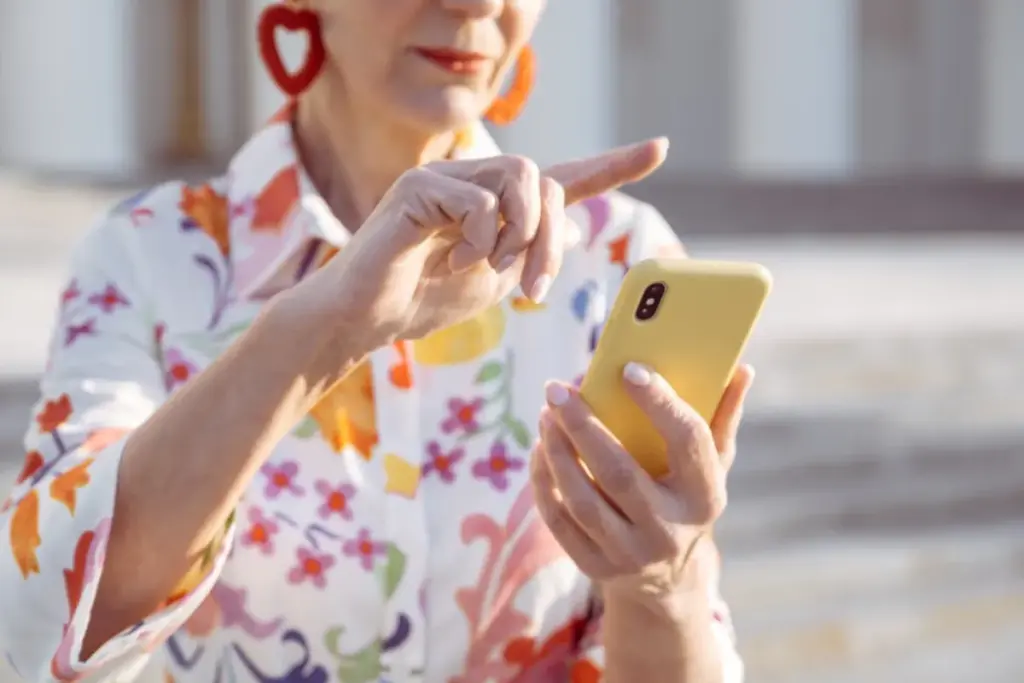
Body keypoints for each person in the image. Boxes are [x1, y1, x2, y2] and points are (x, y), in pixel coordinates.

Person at [0, 1, 753, 681]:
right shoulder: (148, 253)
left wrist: (663, 582)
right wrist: (321, 331)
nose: (477, 4)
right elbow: (40, 623)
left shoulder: (615, 262)